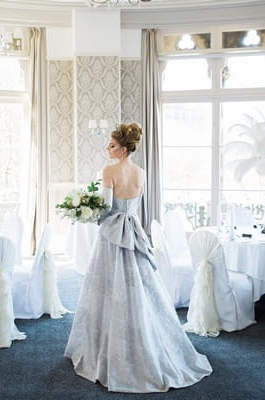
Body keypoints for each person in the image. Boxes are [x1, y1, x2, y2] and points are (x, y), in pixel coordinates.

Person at [64, 123, 212, 393]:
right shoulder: (140, 172)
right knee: (138, 286)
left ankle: (109, 346)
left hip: (112, 235)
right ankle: (143, 338)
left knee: (109, 288)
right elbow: (131, 207)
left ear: (121, 148)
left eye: (110, 145)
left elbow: (106, 208)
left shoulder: (109, 170)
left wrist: (85, 210)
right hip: (133, 231)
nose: (106, 149)